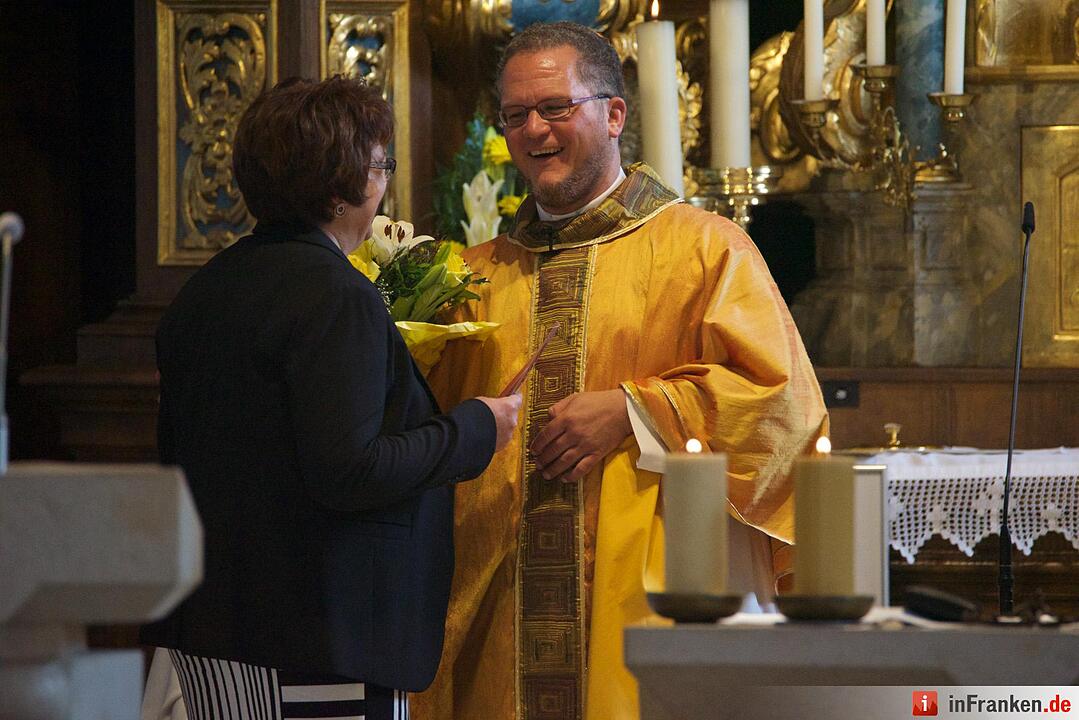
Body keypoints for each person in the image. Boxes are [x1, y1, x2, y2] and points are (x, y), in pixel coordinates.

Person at [412, 22, 828, 720]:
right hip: (498, 607)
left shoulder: (704, 249)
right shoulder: (472, 277)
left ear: (613, 114)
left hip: (652, 604)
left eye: (555, 108)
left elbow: (783, 405)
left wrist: (635, 411)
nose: (534, 131)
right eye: (515, 116)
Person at [139, 76, 522, 720]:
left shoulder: (207, 289)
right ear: (345, 184)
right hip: (315, 640)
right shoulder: (334, 294)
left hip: (212, 630)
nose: (383, 185)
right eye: (380, 165)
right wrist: (476, 428)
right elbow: (349, 471)